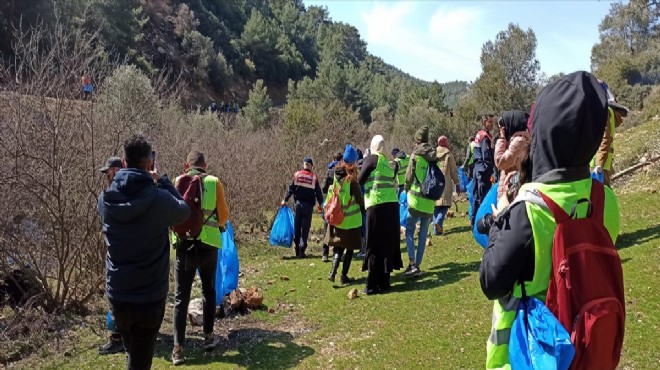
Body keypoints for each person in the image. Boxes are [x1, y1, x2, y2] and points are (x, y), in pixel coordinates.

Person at [479, 71, 620, 369]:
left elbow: (491, 280)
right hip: (585, 346)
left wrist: (501, 217)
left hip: (526, 355)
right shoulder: (606, 202)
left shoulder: (527, 209)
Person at [98, 136, 190, 370]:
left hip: (118, 294)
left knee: (133, 354)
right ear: (150, 163)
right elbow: (184, 211)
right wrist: (164, 181)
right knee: (140, 361)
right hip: (149, 296)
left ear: (124, 164)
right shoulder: (159, 198)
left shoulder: (105, 200)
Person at [171, 150, 229, 365]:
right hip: (208, 245)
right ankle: (208, 337)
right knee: (208, 290)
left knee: (180, 297)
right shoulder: (214, 182)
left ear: (187, 165)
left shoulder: (178, 180)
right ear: (205, 165)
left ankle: (178, 349)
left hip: (184, 245)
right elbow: (223, 216)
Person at [358, 135, 403, 294]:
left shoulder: (371, 159)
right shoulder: (388, 163)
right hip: (392, 206)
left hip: (376, 206)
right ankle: (384, 281)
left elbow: (360, 179)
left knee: (374, 244)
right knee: (388, 243)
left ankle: (371, 285)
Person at [325, 145, 365, 285]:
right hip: (351, 220)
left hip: (338, 218)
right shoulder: (351, 179)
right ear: (353, 161)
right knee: (349, 249)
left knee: (339, 247)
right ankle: (343, 276)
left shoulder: (336, 173)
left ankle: (332, 273)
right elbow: (360, 199)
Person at [97, 157, 125, 356]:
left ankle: (117, 338)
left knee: (115, 297)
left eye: (108, 172)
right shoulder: (137, 193)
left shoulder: (106, 197)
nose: (107, 176)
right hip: (135, 253)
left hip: (117, 255)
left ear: (116, 171)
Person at [403, 127, 436, 277]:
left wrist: (405, 189)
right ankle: (418, 264)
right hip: (429, 202)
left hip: (416, 200)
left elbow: (409, 176)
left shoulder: (415, 155)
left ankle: (412, 263)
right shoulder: (433, 156)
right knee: (423, 234)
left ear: (417, 140)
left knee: (409, 230)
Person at [282, 157, 324, 258]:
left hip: (298, 205)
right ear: (311, 166)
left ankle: (297, 248)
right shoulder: (314, 178)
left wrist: (285, 199)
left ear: (304, 165)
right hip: (308, 206)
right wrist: (321, 204)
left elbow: (290, 189)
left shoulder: (297, 175)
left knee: (297, 227)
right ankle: (302, 249)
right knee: (305, 228)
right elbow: (318, 193)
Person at [591, 80, 627, 187]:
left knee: (601, 195)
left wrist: (599, 164)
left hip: (599, 163)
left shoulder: (605, 110)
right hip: (602, 162)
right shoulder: (607, 110)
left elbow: (604, 138)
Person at [494, 111, 531, 202]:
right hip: (509, 187)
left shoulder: (519, 141)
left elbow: (500, 161)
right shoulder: (517, 140)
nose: (502, 131)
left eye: (503, 128)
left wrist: (502, 138)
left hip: (511, 190)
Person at [471, 114, 495, 225]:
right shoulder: (485, 137)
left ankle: (473, 220)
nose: (492, 124)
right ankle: (479, 222)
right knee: (482, 197)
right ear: (484, 122)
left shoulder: (479, 134)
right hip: (483, 171)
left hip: (477, 168)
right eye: (490, 121)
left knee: (476, 196)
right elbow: (486, 156)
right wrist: (489, 170)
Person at [434, 136, 460, 236]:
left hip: (435, 183)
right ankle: (438, 221)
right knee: (445, 205)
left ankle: (436, 230)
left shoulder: (432, 153)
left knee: (436, 206)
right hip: (446, 182)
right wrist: (457, 183)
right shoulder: (448, 154)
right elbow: (453, 170)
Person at [321, 152, 344, 262]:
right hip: (341, 203)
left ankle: (325, 253)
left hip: (330, 202)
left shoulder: (329, 171)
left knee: (327, 227)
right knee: (339, 227)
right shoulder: (344, 171)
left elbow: (324, 188)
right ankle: (338, 252)